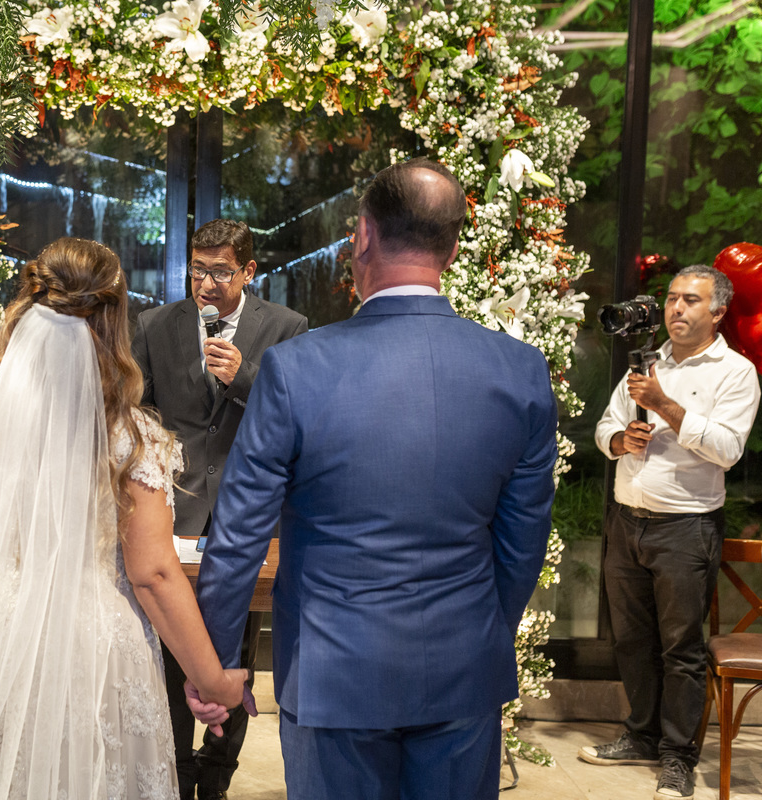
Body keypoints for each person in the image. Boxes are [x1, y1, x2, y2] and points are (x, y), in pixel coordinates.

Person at [188, 159, 558, 800]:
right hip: (463, 669)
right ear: (452, 248)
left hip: (333, 668)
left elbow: (240, 533)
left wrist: (216, 663)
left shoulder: (295, 368)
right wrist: (475, 634)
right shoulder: (520, 370)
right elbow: (522, 545)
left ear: (361, 237)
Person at [0, 237, 250, 800]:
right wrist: (212, 680)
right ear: (113, 321)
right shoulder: (130, 437)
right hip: (92, 646)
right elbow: (154, 574)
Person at [131, 218, 307, 800]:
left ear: (248, 271)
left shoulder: (286, 327)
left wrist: (245, 378)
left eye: (221, 272)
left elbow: (298, 418)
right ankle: (176, 772)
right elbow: (138, 417)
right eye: (198, 270)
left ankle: (218, 776)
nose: (206, 284)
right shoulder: (155, 325)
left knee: (236, 649)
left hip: (248, 515)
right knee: (171, 649)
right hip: (173, 513)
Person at [582, 264, 761, 800]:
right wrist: (620, 441)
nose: (676, 308)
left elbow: (728, 450)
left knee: (680, 649)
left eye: (690, 300)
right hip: (627, 520)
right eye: (672, 299)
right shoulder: (647, 361)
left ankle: (678, 758)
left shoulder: (735, 372)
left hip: (686, 527)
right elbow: (605, 425)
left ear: (718, 311)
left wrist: (664, 405)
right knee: (632, 640)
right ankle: (641, 735)